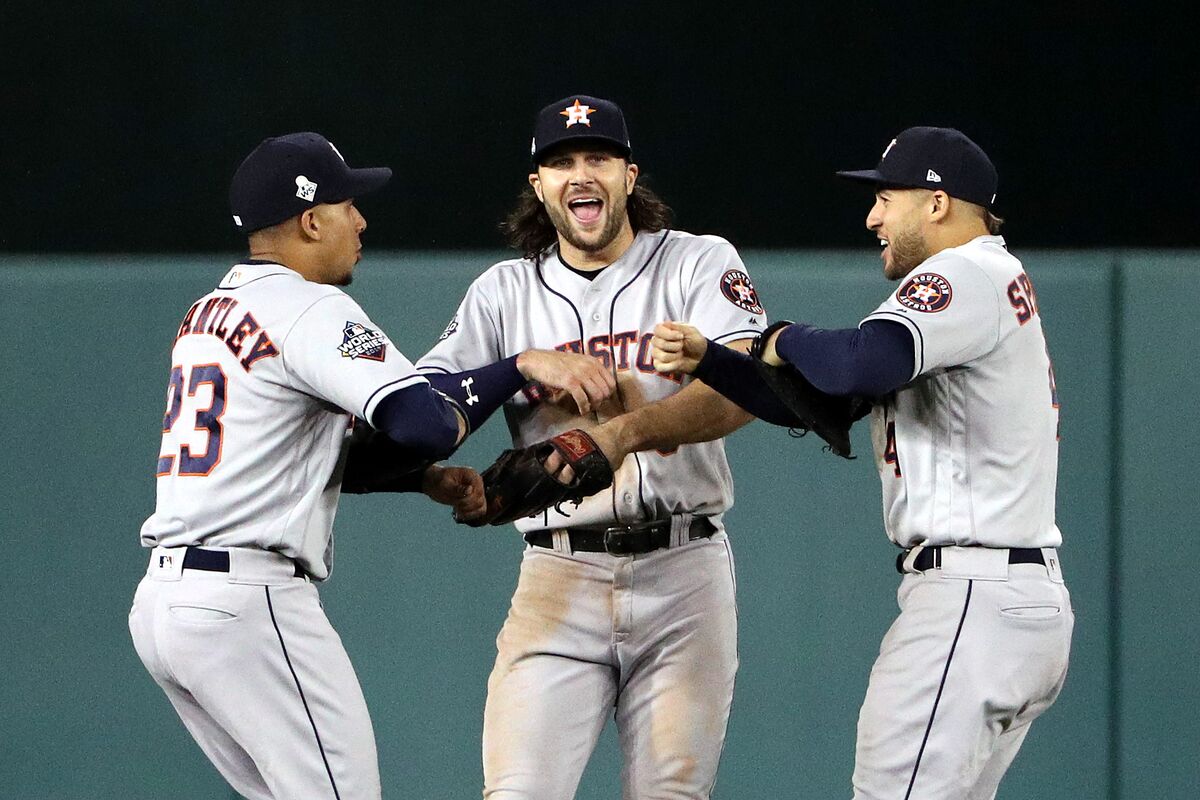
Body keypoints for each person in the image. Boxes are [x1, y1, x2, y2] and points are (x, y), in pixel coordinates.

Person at [129, 131, 588, 799]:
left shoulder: (210, 309)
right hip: (246, 603)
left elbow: (288, 455)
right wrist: (516, 367)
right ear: (311, 220)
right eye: (348, 205)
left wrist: (418, 478)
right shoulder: (308, 307)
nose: (361, 220)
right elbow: (427, 423)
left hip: (167, 606)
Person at [651, 126, 1074, 799]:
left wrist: (779, 336)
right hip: (1011, 600)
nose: (872, 216)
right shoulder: (990, 281)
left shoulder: (962, 272)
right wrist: (714, 360)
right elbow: (822, 403)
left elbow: (860, 361)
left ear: (937, 203)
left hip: (971, 597)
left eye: (886, 197)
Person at [417, 94, 768, 799]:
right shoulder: (503, 293)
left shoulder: (695, 264)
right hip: (559, 576)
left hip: (684, 568)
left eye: (598, 158)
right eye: (561, 162)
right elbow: (419, 405)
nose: (581, 173)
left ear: (629, 176)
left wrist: (623, 429)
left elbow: (748, 393)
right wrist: (513, 369)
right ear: (540, 186)